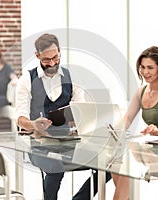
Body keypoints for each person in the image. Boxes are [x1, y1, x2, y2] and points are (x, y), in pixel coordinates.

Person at [15, 33, 111, 200]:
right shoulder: (27, 79)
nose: (52, 63)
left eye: (55, 57)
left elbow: (80, 109)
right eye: (46, 60)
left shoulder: (73, 77)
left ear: (60, 52)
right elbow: (20, 118)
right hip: (37, 144)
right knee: (55, 168)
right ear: (37, 56)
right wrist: (33, 124)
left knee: (108, 165)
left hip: (70, 143)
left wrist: (79, 119)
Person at [111, 46, 158, 200]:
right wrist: (114, 130)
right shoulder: (142, 92)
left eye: (150, 68)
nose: (145, 72)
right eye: (142, 67)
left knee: (126, 168)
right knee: (114, 162)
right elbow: (128, 119)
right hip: (150, 148)